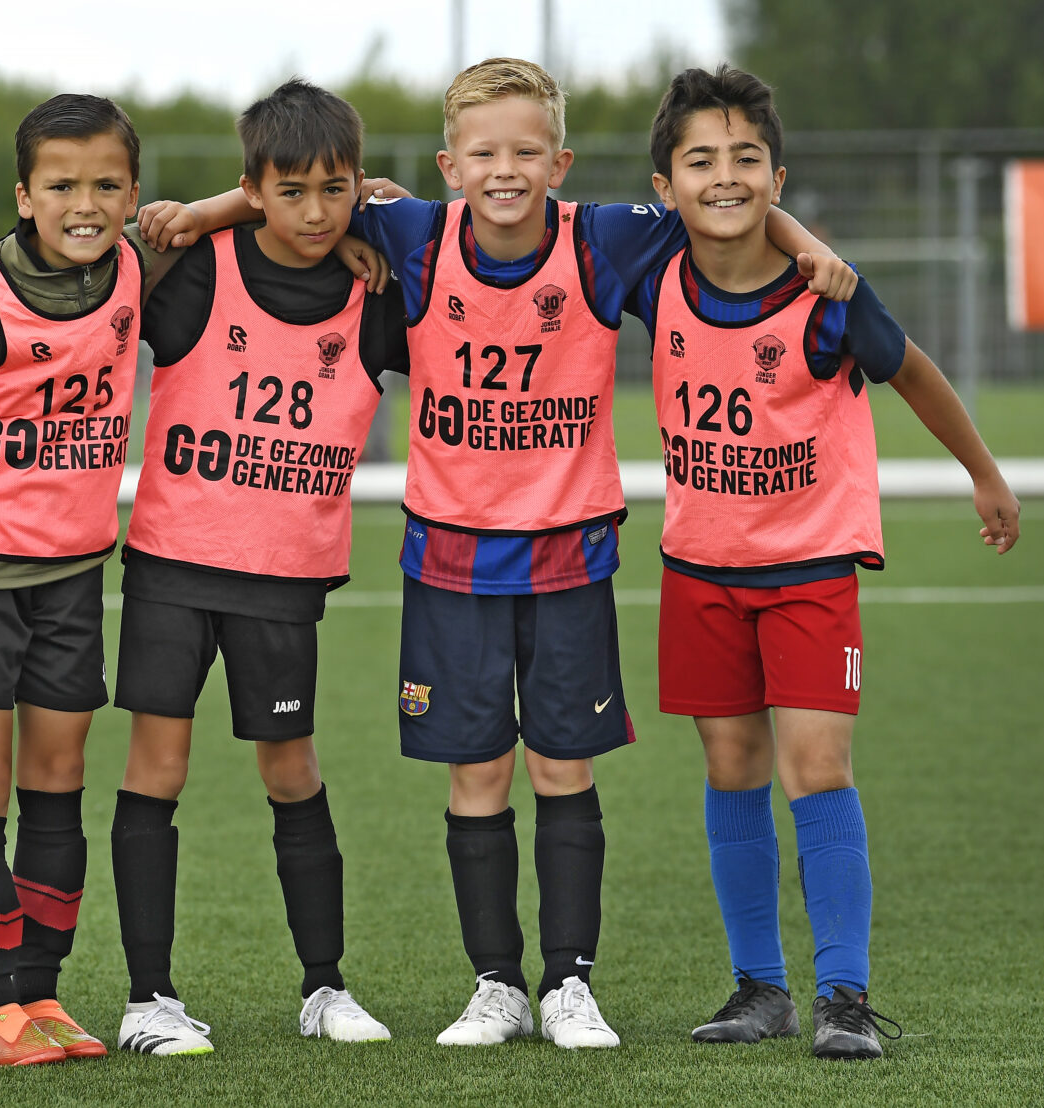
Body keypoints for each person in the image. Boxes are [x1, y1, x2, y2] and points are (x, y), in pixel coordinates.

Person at [151, 56, 856, 1049]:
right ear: (449, 165)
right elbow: (303, 189)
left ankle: (568, 983)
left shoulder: (602, 239)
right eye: (482, 152)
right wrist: (203, 211)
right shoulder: (409, 232)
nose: (505, 169)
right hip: (449, 564)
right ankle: (496, 984)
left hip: (570, 562)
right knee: (474, 776)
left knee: (565, 771)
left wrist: (802, 236)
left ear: (558, 161)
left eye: (526, 150)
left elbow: (720, 213)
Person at [637, 64, 1019, 1059]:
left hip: (808, 569)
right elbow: (530, 231)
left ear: (775, 172)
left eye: (745, 158)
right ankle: (756, 985)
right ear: (665, 183)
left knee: (815, 768)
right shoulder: (646, 268)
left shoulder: (828, 297)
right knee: (730, 766)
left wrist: (981, 471)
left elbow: (914, 372)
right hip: (698, 568)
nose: (723, 177)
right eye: (699, 160)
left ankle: (842, 996)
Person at [92, 79, 404, 1053]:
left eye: (334, 189)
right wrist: (216, 209)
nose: (316, 212)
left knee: (291, 772)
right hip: (172, 566)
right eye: (291, 191)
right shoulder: (193, 272)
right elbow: (84, 253)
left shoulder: (375, 289)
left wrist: (377, 209)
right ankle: (149, 998)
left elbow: (442, 225)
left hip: (282, 578)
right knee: (158, 768)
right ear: (253, 189)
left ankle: (325, 988)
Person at [0, 93, 174, 1066]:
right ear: (24, 193)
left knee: (57, 786)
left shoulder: (134, 266)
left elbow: (230, 219)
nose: (83, 202)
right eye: (61, 184)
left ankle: (42, 998)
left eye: (104, 183)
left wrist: (376, 199)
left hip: (72, 581)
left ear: (133, 193)